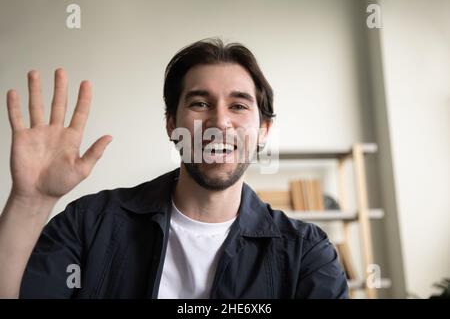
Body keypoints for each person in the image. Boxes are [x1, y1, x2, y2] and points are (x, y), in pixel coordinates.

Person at [0, 38, 348, 299]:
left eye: (239, 105)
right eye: (200, 102)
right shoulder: (90, 225)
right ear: (171, 123)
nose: (220, 122)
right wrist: (30, 200)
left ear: (263, 130)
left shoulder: (306, 253)